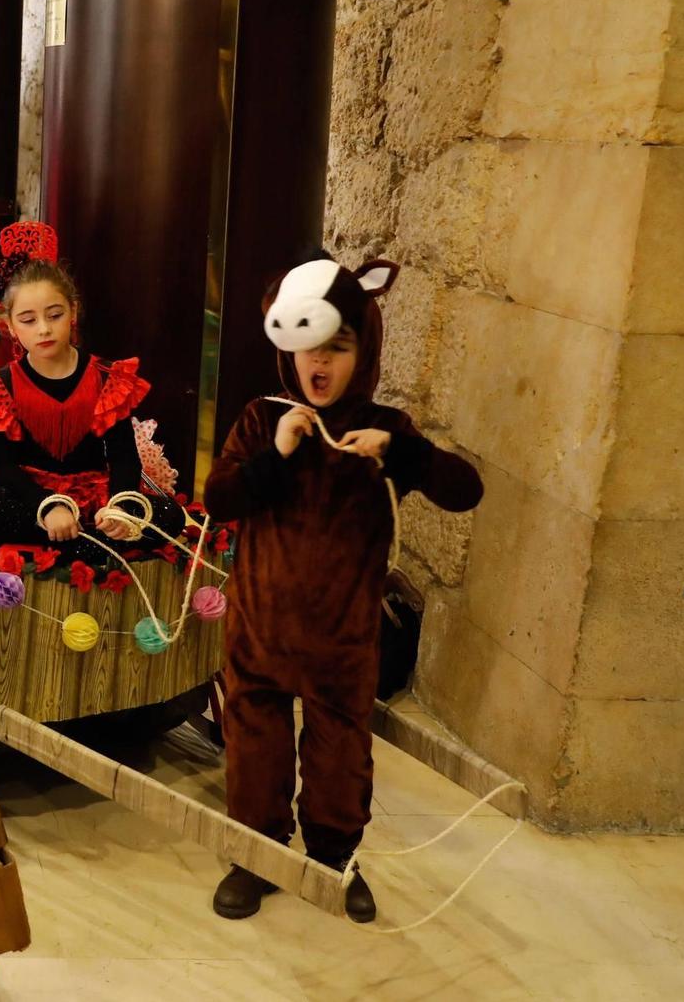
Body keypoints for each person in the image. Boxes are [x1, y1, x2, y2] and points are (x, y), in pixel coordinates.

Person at [203, 253, 483, 924]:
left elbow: (465, 488)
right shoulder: (260, 416)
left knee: (340, 756)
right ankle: (257, 852)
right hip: (260, 634)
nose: (320, 362)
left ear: (365, 349)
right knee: (255, 746)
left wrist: (403, 452)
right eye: (309, 348)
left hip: (343, 642)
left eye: (339, 345)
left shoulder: (386, 430)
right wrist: (278, 452)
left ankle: (334, 857)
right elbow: (219, 498)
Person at [0, 223, 149, 553]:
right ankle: (84, 545)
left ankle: (89, 537)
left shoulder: (106, 379)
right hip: (30, 497)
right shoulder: (0, 387)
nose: (44, 329)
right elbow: (2, 467)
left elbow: (124, 459)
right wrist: (49, 506)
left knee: (166, 516)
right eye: (29, 320)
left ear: (73, 312)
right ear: (11, 327)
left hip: (93, 502)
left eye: (55, 315)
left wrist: (118, 507)